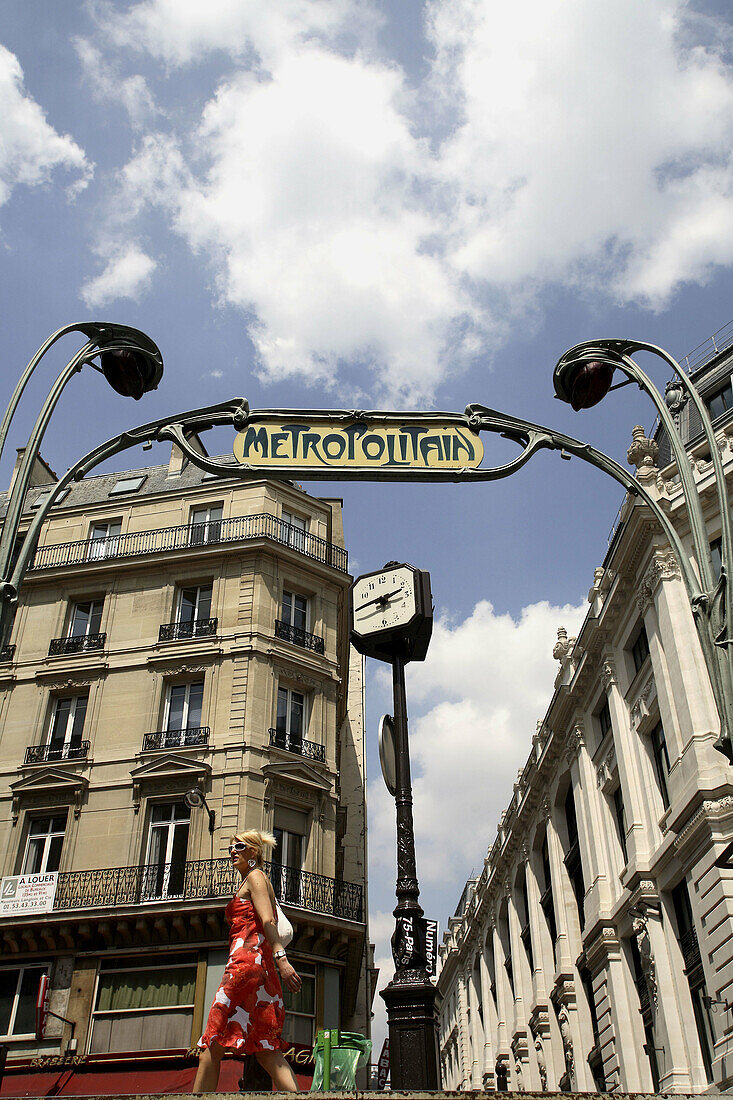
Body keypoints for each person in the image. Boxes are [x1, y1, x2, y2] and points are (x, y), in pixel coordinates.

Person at [193, 829, 302, 1094]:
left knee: (213, 1040)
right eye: (231, 847)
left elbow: (268, 921)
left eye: (239, 846)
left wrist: (282, 959)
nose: (233, 851)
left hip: (245, 965)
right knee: (266, 1049)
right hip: (260, 970)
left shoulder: (255, 877)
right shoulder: (253, 880)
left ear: (253, 852)